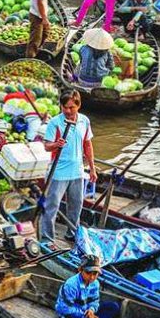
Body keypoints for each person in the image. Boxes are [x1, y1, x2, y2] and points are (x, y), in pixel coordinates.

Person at [41, 89, 96, 247]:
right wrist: (56, 144)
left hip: (77, 171)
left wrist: (92, 168)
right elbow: (46, 146)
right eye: (64, 107)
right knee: (51, 206)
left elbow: (87, 144)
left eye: (71, 107)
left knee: (76, 205)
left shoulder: (84, 121)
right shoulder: (55, 123)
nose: (67, 111)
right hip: (58, 172)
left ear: (78, 106)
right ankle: (47, 239)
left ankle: (72, 233)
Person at [55, 255, 122, 318]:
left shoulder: (95, 283)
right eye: (88, 273)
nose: (92, 277)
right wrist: (85, 315)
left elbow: (95, 301)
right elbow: (64, 309)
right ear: (80, 270)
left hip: (88, 313)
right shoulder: (71, 285)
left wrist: (91, 310)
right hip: (71, 314)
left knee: (113, 306)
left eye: (95, 273)